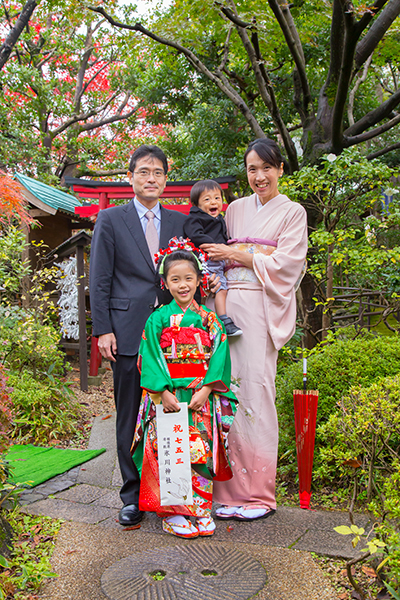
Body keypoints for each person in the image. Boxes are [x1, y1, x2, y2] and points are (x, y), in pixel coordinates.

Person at [201, 138, 308, 521]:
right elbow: (210, 253)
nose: (259, 176)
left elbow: (288, 264)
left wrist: (237, 254)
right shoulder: (234, 209)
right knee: (223, 391)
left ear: (280, 169)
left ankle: (258, 495)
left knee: (256, 394)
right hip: (225, 307)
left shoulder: (292, 212)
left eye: (266, 167)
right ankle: (224, 490)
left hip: (261, 308)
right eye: (252, 169)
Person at [89, 145, 186, 527]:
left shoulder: (179, 223)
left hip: (172, 332)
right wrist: (103, 330)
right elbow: (100, 278)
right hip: (127, 332)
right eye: (144, 171)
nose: (151, 178)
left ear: (166, 178)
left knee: (172, 411)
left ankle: (171, 490)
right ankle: (131, 495)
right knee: (128, 413)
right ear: (131, 177)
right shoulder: (111, 219)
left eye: (158, 172)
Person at [132, 240, 238, 538]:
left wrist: (206, 389)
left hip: (200, 397)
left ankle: (202, 510)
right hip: (168, 397)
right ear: (165, 283)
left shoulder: (209, 319)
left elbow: (220, 354)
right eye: (175, 279)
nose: (182, 285)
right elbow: (149, 356)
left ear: (199, 280)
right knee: (170, 450)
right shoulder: (158, 319)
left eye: (188, 278)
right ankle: (174, 514)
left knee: (199, 451)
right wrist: (161, 393)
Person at [184, 179, 242, 336]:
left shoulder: (219, 219)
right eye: (207, 199)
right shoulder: (195, 218)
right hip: (206, 260)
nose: (213, 202)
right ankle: (222, 319)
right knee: (219, 289)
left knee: (220, 289)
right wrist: (215, 246)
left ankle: (209, 321)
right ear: (196, 205)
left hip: (218, 260)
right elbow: (195, 235)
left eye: (217, 198)